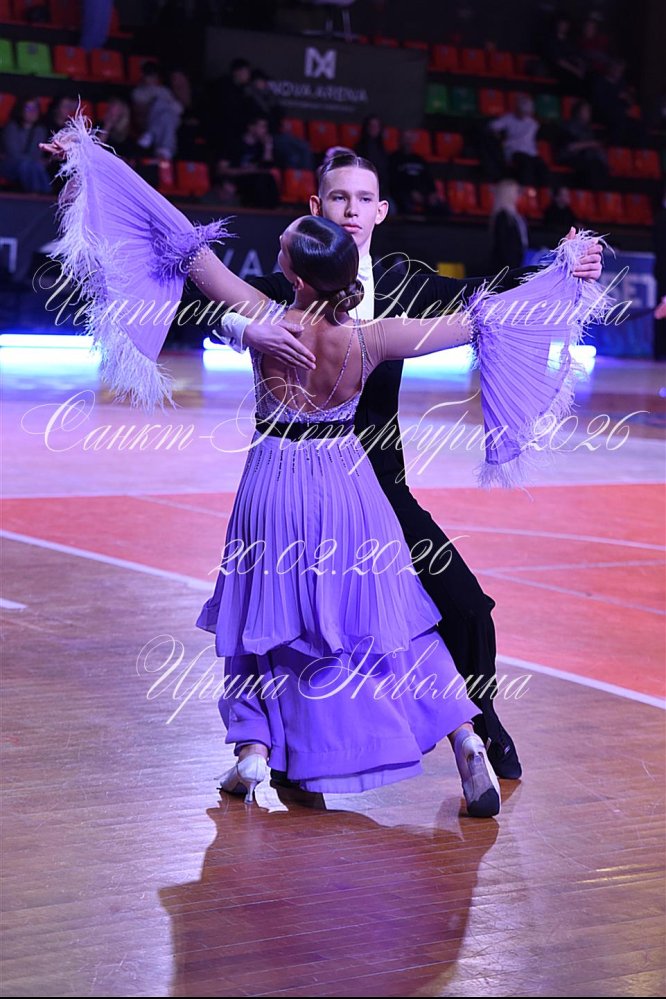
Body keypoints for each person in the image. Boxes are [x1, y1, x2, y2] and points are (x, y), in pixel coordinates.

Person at [40, 118, 609, 817]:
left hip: (275, 484)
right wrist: (564, 272)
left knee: (263, 614)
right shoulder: (372, 338)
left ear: (295, 270)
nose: (348, 209)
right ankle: (462, 734)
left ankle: (253, 749)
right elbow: (485, 318)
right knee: (392, 619)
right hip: (350, 486)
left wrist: (92, 161)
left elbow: (181, 244)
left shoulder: (265, 314)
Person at [213, 152, 604, 784]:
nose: (351, 210)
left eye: (364, 199)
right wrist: (237, 329)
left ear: (381, 211)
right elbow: (204, 298)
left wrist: (562, 271)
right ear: (317, 208)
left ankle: (482, 725)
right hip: (327, 488)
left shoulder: (401, 281)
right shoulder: (298, 295)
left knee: (460, 608)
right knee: (337, 624)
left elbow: (488, 293)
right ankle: (316, 752)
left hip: (377, 492)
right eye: (339, 198)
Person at [487, 96, 549, 189]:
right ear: (517, 109)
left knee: (543, 169)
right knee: (526, 167)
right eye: (522, 111)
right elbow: (492, 126)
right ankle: (523, 191)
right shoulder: (508, 118)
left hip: (531, 153)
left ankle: (544, 193)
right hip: (515, 151)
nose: (525, 114)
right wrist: (497, 135)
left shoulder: (533, 123)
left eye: (527, 112)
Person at [0, 96, 51, 193]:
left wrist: (36, 162)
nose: (32, 112)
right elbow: (14, 154)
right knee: (27, 165)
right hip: (9, 165)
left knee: (34, 166)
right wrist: (35, 162)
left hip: (31, 166)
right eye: (28, 108)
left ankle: (44, 195)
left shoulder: (40, 130)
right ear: (21, 110)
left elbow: (36, 154)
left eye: (35, 108)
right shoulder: (11, 127)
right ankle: (39, 194)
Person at [489, 178, 529, 271]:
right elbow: (502, 244)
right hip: (506, 265)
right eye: (516, 191)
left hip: (519, 260)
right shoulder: (502, 216)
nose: (519, 194)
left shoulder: (517, 216)